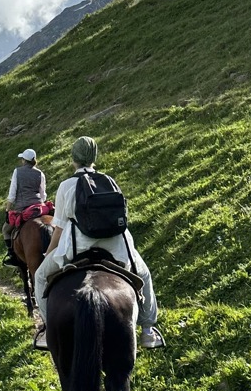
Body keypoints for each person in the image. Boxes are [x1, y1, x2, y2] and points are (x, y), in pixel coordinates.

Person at [32, 136, 164, 350]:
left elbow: (60, 228)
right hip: (115, 245)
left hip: (79, 247)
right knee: (145, 274)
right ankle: (148, 331)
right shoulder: (109, 180)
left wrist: (49, 252)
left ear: (73, 159)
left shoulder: (66, 186)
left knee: (39, 277)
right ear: (94, 157)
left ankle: (48, 330)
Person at [2, 148, 50, 266]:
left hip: (23, 208)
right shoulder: (40, 173)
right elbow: (43, 194)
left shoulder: (17, 172)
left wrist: (7, 209)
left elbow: (12, 193)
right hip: (39, 207)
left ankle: (12, 256)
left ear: (24, 160)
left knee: (5, 230)